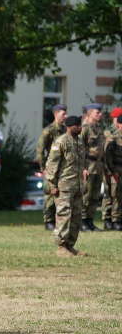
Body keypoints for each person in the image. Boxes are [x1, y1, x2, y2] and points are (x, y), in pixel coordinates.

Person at [46, 115, 88, 256]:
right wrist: (52, 184)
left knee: (76, 216)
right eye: (78, 125)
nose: (80, 128)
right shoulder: (61, 141)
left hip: (77, 185)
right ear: (70, 127)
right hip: (64, 186)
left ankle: (70, 245)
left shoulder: (79, 142)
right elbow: (52, 164)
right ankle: (61, 247)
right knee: (64, 215)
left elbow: (81, 162)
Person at [36, 104, 67, 231]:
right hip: (51, 167)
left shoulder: (66, 130)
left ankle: (58, 219)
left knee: (61, 193)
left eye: (66, 113)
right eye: (63, 114)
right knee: (50, 193)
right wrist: (43, 167)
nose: (66, 116)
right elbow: (40, 150)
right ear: (56, 114)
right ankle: (48, 220)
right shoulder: (48, 130)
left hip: (63, 167)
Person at [80, 103, 105, 231]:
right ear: (89, 113)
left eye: (100, 112)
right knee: (86, 194)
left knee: (95, 196)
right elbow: (80, 149)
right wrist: (83, 168)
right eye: (97, 112)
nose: (100, 114)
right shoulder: (84, 128)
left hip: (98, 165)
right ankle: (82, 221)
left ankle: (90, 221)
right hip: (88, 165)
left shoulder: (98, 128)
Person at [102, 115, 122, 230]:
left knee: (119, 196)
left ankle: (117, 219)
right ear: (119, 125)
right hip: (114, 171)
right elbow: (107, 157)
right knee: (112, 196)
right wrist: (111, 172)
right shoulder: (113, 139)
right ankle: (110, 220)